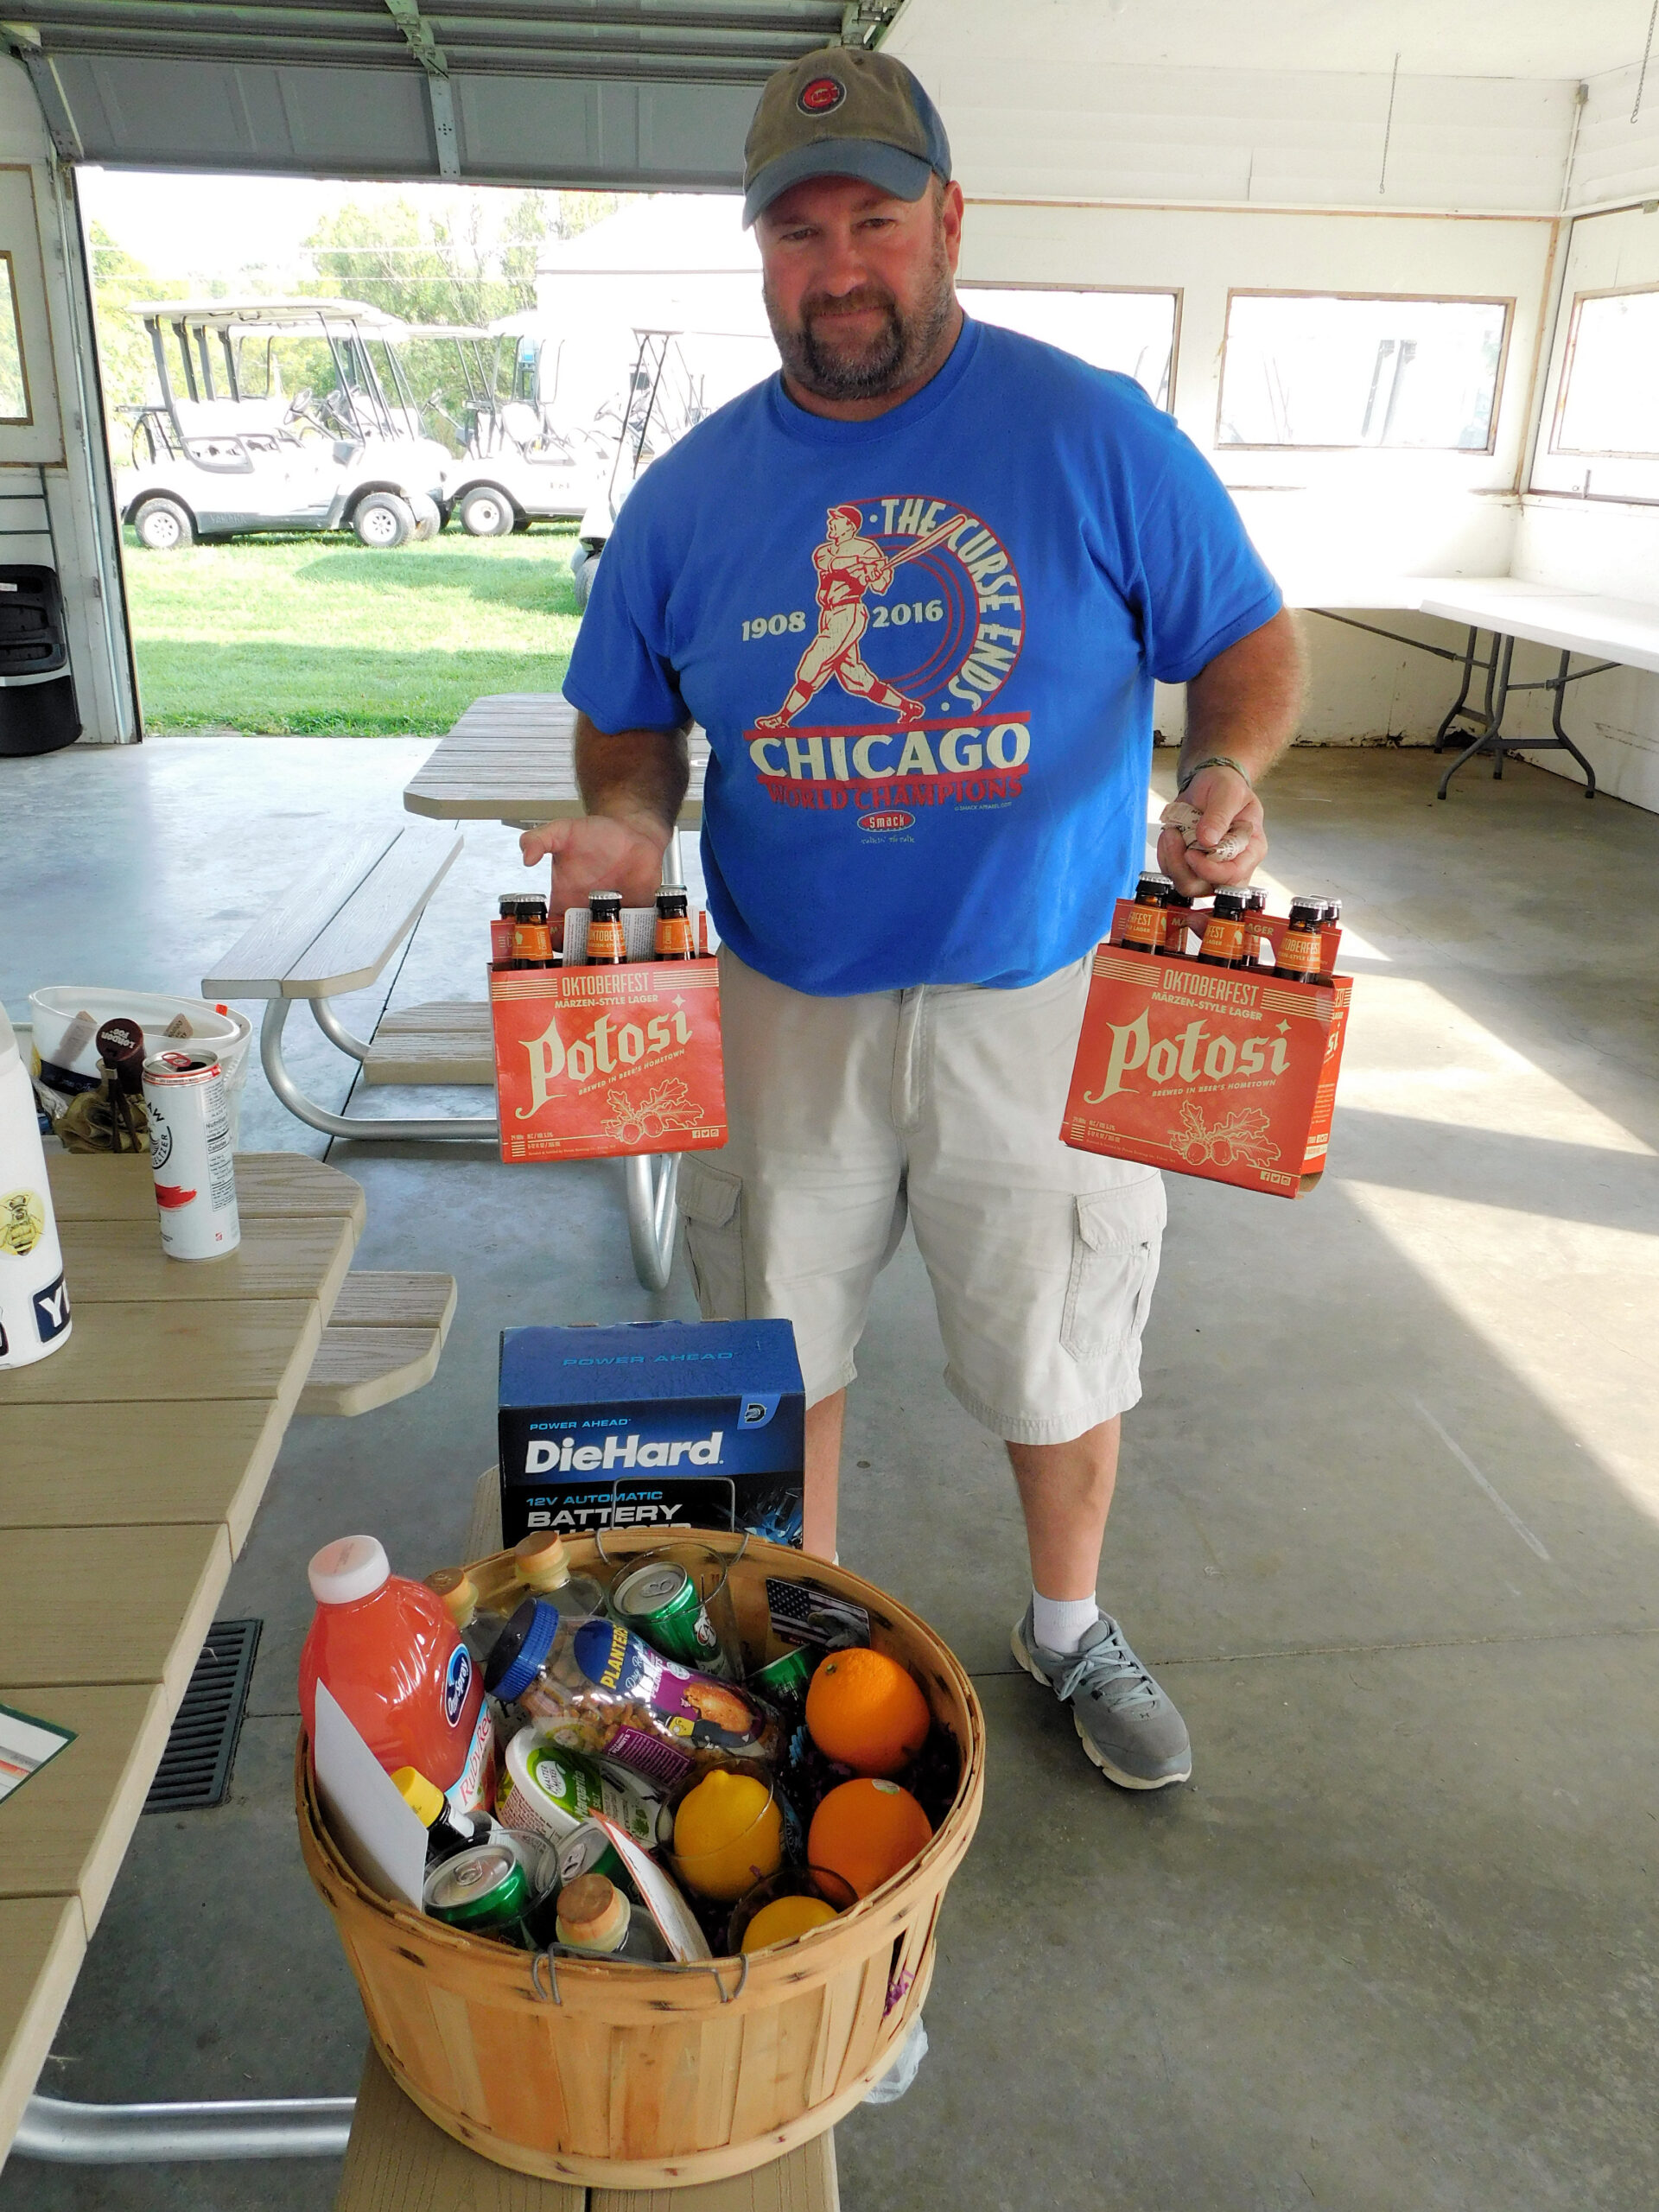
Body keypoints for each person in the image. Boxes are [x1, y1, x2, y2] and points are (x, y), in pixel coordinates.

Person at [524, 44, 1305, 1792]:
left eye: (873, 221)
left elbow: (1245, 639)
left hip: (1039, 990)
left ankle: (1066, 1624)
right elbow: (626, 714)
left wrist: (1223, 766)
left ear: (948, 219)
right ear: (760, 252)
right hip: (784, 992)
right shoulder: (695, 492)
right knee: (772, 1335)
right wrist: (631, 823)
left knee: (1060, 1336)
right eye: (798, 233)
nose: (840, 268)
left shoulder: (1091, 431)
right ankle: (804, 1646)